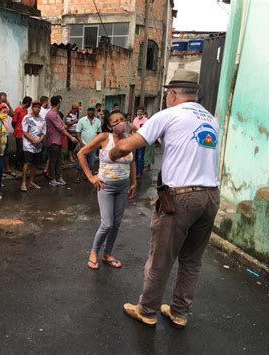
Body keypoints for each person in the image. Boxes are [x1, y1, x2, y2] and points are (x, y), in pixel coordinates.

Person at [109, 69, 220, 329]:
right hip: (211, 196)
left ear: (171, 94)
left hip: (181, 198)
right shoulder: (211, 120)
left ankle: (147, 310)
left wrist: (113, 153)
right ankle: (180, 312)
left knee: (160, 258)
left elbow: (127, 145)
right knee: (191, 260)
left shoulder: (169, 114)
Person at [78, 110, 136, 269]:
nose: (120, 123)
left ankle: (107, 254)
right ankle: (94, 252)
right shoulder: (104, 137)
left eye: (122, 119)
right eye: (116, 121)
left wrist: (134, 182)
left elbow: (131, 162)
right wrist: (91, 176)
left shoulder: (130, 140)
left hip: (123, 187)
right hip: (106, 187)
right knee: (107, 224)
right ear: (110, 126)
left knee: (116, 224)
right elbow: (81, 153)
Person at [45, 96, 77, 187]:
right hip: (53, 141)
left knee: (59, 161)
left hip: (58, 140)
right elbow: (61, 128)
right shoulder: (51, 114)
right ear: (58, 103)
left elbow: (62, 125)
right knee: (53, 161)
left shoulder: (56, 114)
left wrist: (63, 126)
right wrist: (71, 137)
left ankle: (58, 177)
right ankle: (53, 179)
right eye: (60, 103)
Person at [20, 100, 46, 192]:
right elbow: (24, 132)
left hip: (38, 146)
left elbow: (43, 133)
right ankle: (23, 182)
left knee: (35, 164)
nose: (37, 109)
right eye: (36, 107)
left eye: (39, 107)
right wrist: (33, 140)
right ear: (32, 108)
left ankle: (31, 181)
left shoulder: (42, 120)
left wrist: (40, 140)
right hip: (28, 145)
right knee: (27, 163)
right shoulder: (27, 118)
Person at [74, 107, 102, 183]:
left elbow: (99, 133)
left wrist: (98, 143)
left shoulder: (98, 121)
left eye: (92, 110)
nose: (90, 112)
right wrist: (81, 143)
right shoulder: (82, 120)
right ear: (87, 111)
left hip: (93, 146)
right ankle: (77, 178)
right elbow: (78, 132)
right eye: (89, 110)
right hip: (83, 145)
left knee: (91, 163)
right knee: (80, 163)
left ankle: (88, 177)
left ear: (94, 112)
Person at [12, 96, 32, 171]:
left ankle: (22, 164)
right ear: (27, 103)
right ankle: (17, 165)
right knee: (19, 150)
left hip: (24, 132)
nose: (30, 105)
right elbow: (14, 122)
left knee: (23, 149)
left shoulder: (26, 110)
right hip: (18, 133)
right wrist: (17, 128)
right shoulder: (18, 110)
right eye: (30, 103)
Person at [132, 107, 148, 178]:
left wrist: (137, 130)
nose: (139, 113)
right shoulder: (135, 119)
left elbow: (144, 130)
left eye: (141, 111)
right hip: (135, 140)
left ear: (143, 112)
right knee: (135, 157)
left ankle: (140, 173)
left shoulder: (146, 120)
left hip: (141, 140)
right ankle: (136, 172)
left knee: (140, 157)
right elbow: (133, 128)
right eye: (138, 111)